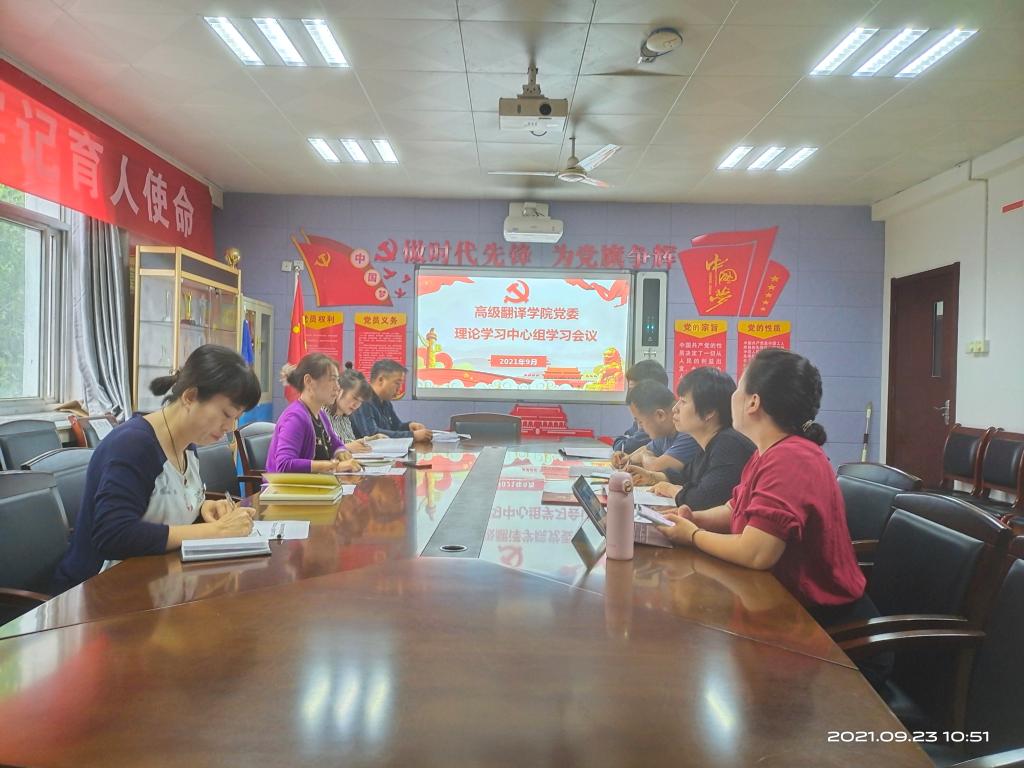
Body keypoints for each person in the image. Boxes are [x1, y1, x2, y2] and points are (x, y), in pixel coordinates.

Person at [655, 348, 880, 636]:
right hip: (781, 608)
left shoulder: (791, 458)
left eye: (738, 388)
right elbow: (734, 508)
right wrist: (695, 518)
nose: (732, 396)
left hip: (824, 628)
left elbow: (757, 553)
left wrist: (693, 536)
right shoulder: (767, 452)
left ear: (753, 402)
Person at [52, 345, 262, 593]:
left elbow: (160, 505)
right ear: (190, 397)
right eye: (226, 414)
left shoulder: (188, 444)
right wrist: (215, 531)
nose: (230, 426)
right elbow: (113, 535)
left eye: (236, 417)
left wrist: (202, 507)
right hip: (100, 592)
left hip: (156, 581)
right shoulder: (133, 446)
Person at [627, 367, 755, 508]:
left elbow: (703, 499)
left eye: (683, 401)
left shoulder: (729, 445)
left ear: (709, 411)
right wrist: (650, 477)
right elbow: (684, 476)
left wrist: (670, 489)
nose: (675, 409)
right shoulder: (709, 444)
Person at [266, 354, 362, 473]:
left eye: (337, 380)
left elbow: (336, 444)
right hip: (289, 485)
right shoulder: (295, 418)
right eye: (332, 379)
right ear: (309, 381)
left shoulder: (321, 414)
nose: (337, 388)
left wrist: (341, 452)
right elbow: (284, 465)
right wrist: (333, 466)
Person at [611, 380, 698, 484]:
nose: (639, 427)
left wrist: (643, 456)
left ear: (660, 415)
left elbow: (655, 466)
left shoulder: (688, 432)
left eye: (641, 421)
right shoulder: (665, 433)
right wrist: (626, 459)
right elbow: (646, 449)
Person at [351, 359, 432, 442]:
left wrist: (409, 426)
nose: (399, 389)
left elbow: (396, 427)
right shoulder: (363, 400)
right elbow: (372, 434)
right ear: (381, 380)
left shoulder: (385, 402)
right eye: (397, 383)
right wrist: (413, 436)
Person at [324, 364, 385, 453]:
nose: (357, 405)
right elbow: (320, 450)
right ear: (339, 390)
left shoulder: (345, 418)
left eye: (361, 401)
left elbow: (349, 442)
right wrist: (344, 447)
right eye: (355, 398)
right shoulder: (322, 415)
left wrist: (369, 440)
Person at [612, 359, 669, 453]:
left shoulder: (656, 418)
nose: (630, 395)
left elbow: (625, 447)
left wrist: (622, 442)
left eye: (634, 390)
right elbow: (628, 436)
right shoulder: (645, 414)